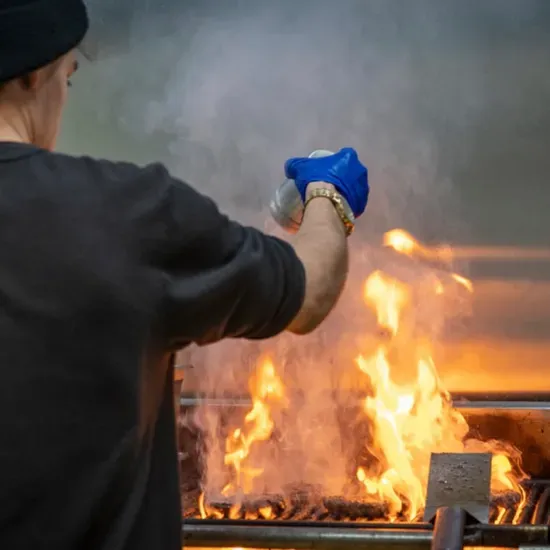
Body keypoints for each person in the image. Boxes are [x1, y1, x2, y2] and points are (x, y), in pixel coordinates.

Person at [0, 1, 369, 549]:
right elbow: (310, 290)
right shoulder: (124, 213)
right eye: (68, 78)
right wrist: (327, 195)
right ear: (34, 72)